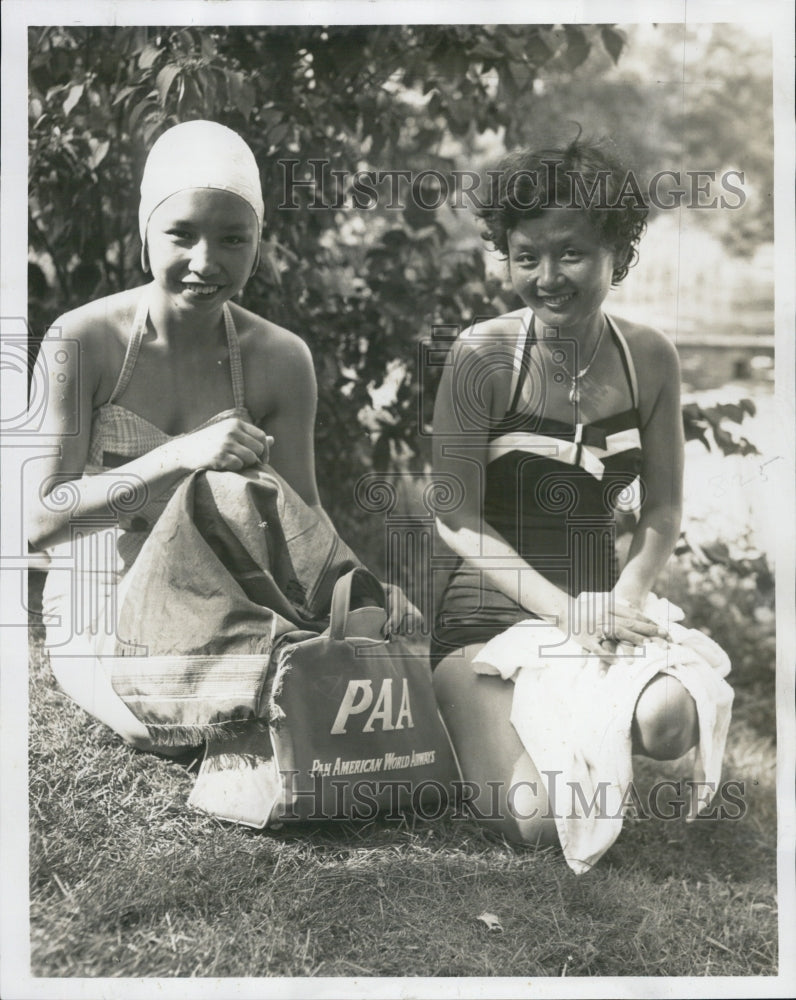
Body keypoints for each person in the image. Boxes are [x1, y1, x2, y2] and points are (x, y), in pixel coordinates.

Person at [430, 139, 715, 850]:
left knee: (670, 721)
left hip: (606, 609)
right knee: (536, 820)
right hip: (486, 622)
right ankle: (498, 720)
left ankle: (581, 719)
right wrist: (568, 614)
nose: (548, 277)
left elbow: (664, 508)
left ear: (618, 251)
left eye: (572, 255)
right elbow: (456, 519)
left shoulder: (649, 358)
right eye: (526, 257)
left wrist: (623, 600)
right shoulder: (481, 356)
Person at [27, 121, 329, 753]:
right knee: (164, 724)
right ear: (145, 236)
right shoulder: (83, 340)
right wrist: (179, 456)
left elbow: (302, 520)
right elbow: (39, 520)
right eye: (181, 234)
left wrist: (357, 599)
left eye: (231, 239)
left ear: (256, 247)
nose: (204, 262)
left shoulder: (281, 359)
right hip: (100, 587)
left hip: (221, 589)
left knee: (304, 699)